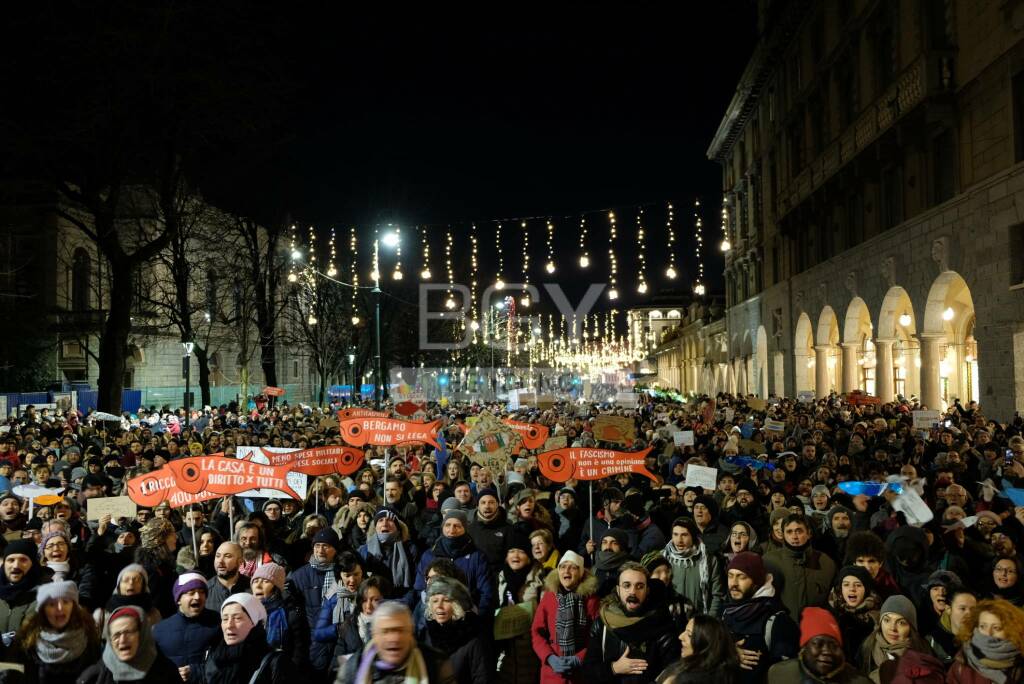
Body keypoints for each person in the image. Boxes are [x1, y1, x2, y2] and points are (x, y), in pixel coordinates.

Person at [581, 561, 680, 683]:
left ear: (647, 590)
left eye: (639, 586)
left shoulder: (663, 624)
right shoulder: (602, 623)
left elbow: (672, 675)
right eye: (627, 585)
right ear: (618, 590)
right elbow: (587, 671)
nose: (633, 592)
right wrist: (614, 668)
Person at [721, 552, 798, 683]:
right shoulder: (727, 611)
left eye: (741, 577)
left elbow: (786, 673)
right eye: (730, 576)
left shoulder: (777, 619)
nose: (733, 583)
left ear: (756, 581)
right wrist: (728, 652)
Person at [336, 601, 455, 683]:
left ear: (410, 633)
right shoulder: (353, 668)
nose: (394, 638)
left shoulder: (436, 664)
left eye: (400, 630)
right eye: (386, 631)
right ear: (374, 636)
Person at [10, 580, 101, 683]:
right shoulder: (26, 641)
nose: (60, 608)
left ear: (73, 606)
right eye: (52, 604)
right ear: (43, 609)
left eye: (66, 602)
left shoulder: (89, 635)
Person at [532, 550, 601, 683]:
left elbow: (597, 638)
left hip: (581, 673)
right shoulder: (549, 597)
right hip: (552, 674)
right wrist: (549, 657)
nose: (566, 571)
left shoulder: (591, 600)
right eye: (562, 567)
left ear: (580, 573)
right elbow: (537, 632)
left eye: (572, 567)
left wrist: (579, 658)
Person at [414, 507, 494, 614]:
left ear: (465, 529)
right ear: (442, 527)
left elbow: (486, 592)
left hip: (467, 614)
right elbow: (419, 588)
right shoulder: (429, 555)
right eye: (448, 525)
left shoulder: (477, 557)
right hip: (434, 613)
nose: (451, 530)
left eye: (457, 526)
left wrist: (479, 616)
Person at [767, 606, 871, 684]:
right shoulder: (779, 675)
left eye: (833, 645)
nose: (826, 651)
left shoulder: (859, 681)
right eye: (818, 644)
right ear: (804, 647)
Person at [76, 605, 180, 683]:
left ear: (142, 634)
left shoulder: (167, 672)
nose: (122, 640)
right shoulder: (94, 677)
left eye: (129, 632)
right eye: (116, 635)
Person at [287, 527, 341, 675]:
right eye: (317, 546)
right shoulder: (299, 576)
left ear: (335, 549)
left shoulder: (343, 573)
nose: (320, 550)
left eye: (326, 546)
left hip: (339, 640)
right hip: (312, 642)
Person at [495, 533, 546, 684]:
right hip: (505, 650)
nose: (515, 555)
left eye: (521, 551)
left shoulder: (539, 578)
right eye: (511, 551)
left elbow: (545, 615)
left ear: (529, 556)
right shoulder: (500, 578)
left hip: (530, 649)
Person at [763, 513, 836, 619]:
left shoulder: (826, 562)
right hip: (784, 628)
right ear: (783, 534)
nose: (794, 536)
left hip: (816, 629)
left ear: (809, 533)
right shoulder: (769, 561)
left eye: (799, 531)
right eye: (789, 532)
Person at [151, 572, 220, 684]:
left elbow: (226, 662)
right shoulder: (159, 630)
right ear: (178, 599)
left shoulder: (219, 623)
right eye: (191, 593)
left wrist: (197, 671)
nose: (197, 597)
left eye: (202, 592)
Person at [202, 593, 285, 683]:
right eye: (225, 619)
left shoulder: (274, 661)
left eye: (237, 618)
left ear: (255, 622)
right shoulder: (213, 656)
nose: (229, 625)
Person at [419, 576, 489, 684]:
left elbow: (482, 678)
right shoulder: (426, 634)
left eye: (446, 600)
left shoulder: (473, 638)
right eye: (435, 600)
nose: (439, 606)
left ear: (458, 605)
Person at [856, 594, 933, 682]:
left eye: (901, 623)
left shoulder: (923, 652)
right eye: (887, 620)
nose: (892, 628)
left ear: (911, 628)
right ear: (880, 623)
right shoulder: (866, 648)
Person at [947, 598, 1024, 683]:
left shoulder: (1020, 662)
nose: (988, 633)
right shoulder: (961, 665)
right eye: (983, 626)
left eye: (996, 628)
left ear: (1011, 630)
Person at [251, 561, 309, 672]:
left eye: (265, 581)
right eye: (255, 581)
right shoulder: (246, 612)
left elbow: (300, 651)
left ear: (276, 588)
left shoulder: (290, 614)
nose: (258, 586)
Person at [661, 517, 724, 617]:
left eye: (684, 535)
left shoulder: (709, 560)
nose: (679, 540)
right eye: (675, 534)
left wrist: (708, 621)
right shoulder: (663, 559)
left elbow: (717, 595)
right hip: (669, 621)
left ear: (693, 536)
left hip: (699, 622)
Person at [656, 614, 740, 683]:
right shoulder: (725, 671)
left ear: (705, 643)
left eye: (689, 635)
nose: (680, 637)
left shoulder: (686, 679)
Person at [827, 565, 882, 665]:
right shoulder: (829, 615)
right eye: (846, 585)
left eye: (858, 585)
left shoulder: (877, 618)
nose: (852, 589)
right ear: (840, 588)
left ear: (867, 589)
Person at [358, 509, 417, 602]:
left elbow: (414, 585)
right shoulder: (364, 551)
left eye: (390, 520)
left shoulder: (410, 550)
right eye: (380, 520)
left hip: (400, 603)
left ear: (398, 527)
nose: (385, 524)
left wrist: (403, 603)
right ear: (375, 527)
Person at [0, 540, 44, 640]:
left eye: (23, 560)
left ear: (33, 564)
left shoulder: (45, 596)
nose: (16, 566)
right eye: (11, 560)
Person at [133, 518, 177, 618]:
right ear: (160, 539)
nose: (176, 537)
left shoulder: (162, 563)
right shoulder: (151, 570)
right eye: (172, 534)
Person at [926, 585, 977, 665]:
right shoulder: (932, 642)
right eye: (962, 608)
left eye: (973, 609)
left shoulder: (982, 638)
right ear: (948, 609)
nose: (969, 614)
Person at [206, 542, 250, 612]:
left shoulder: (252, 588)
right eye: (217, 556)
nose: (220, 561)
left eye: (227, 556)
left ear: (240, 561)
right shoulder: (205, 590)